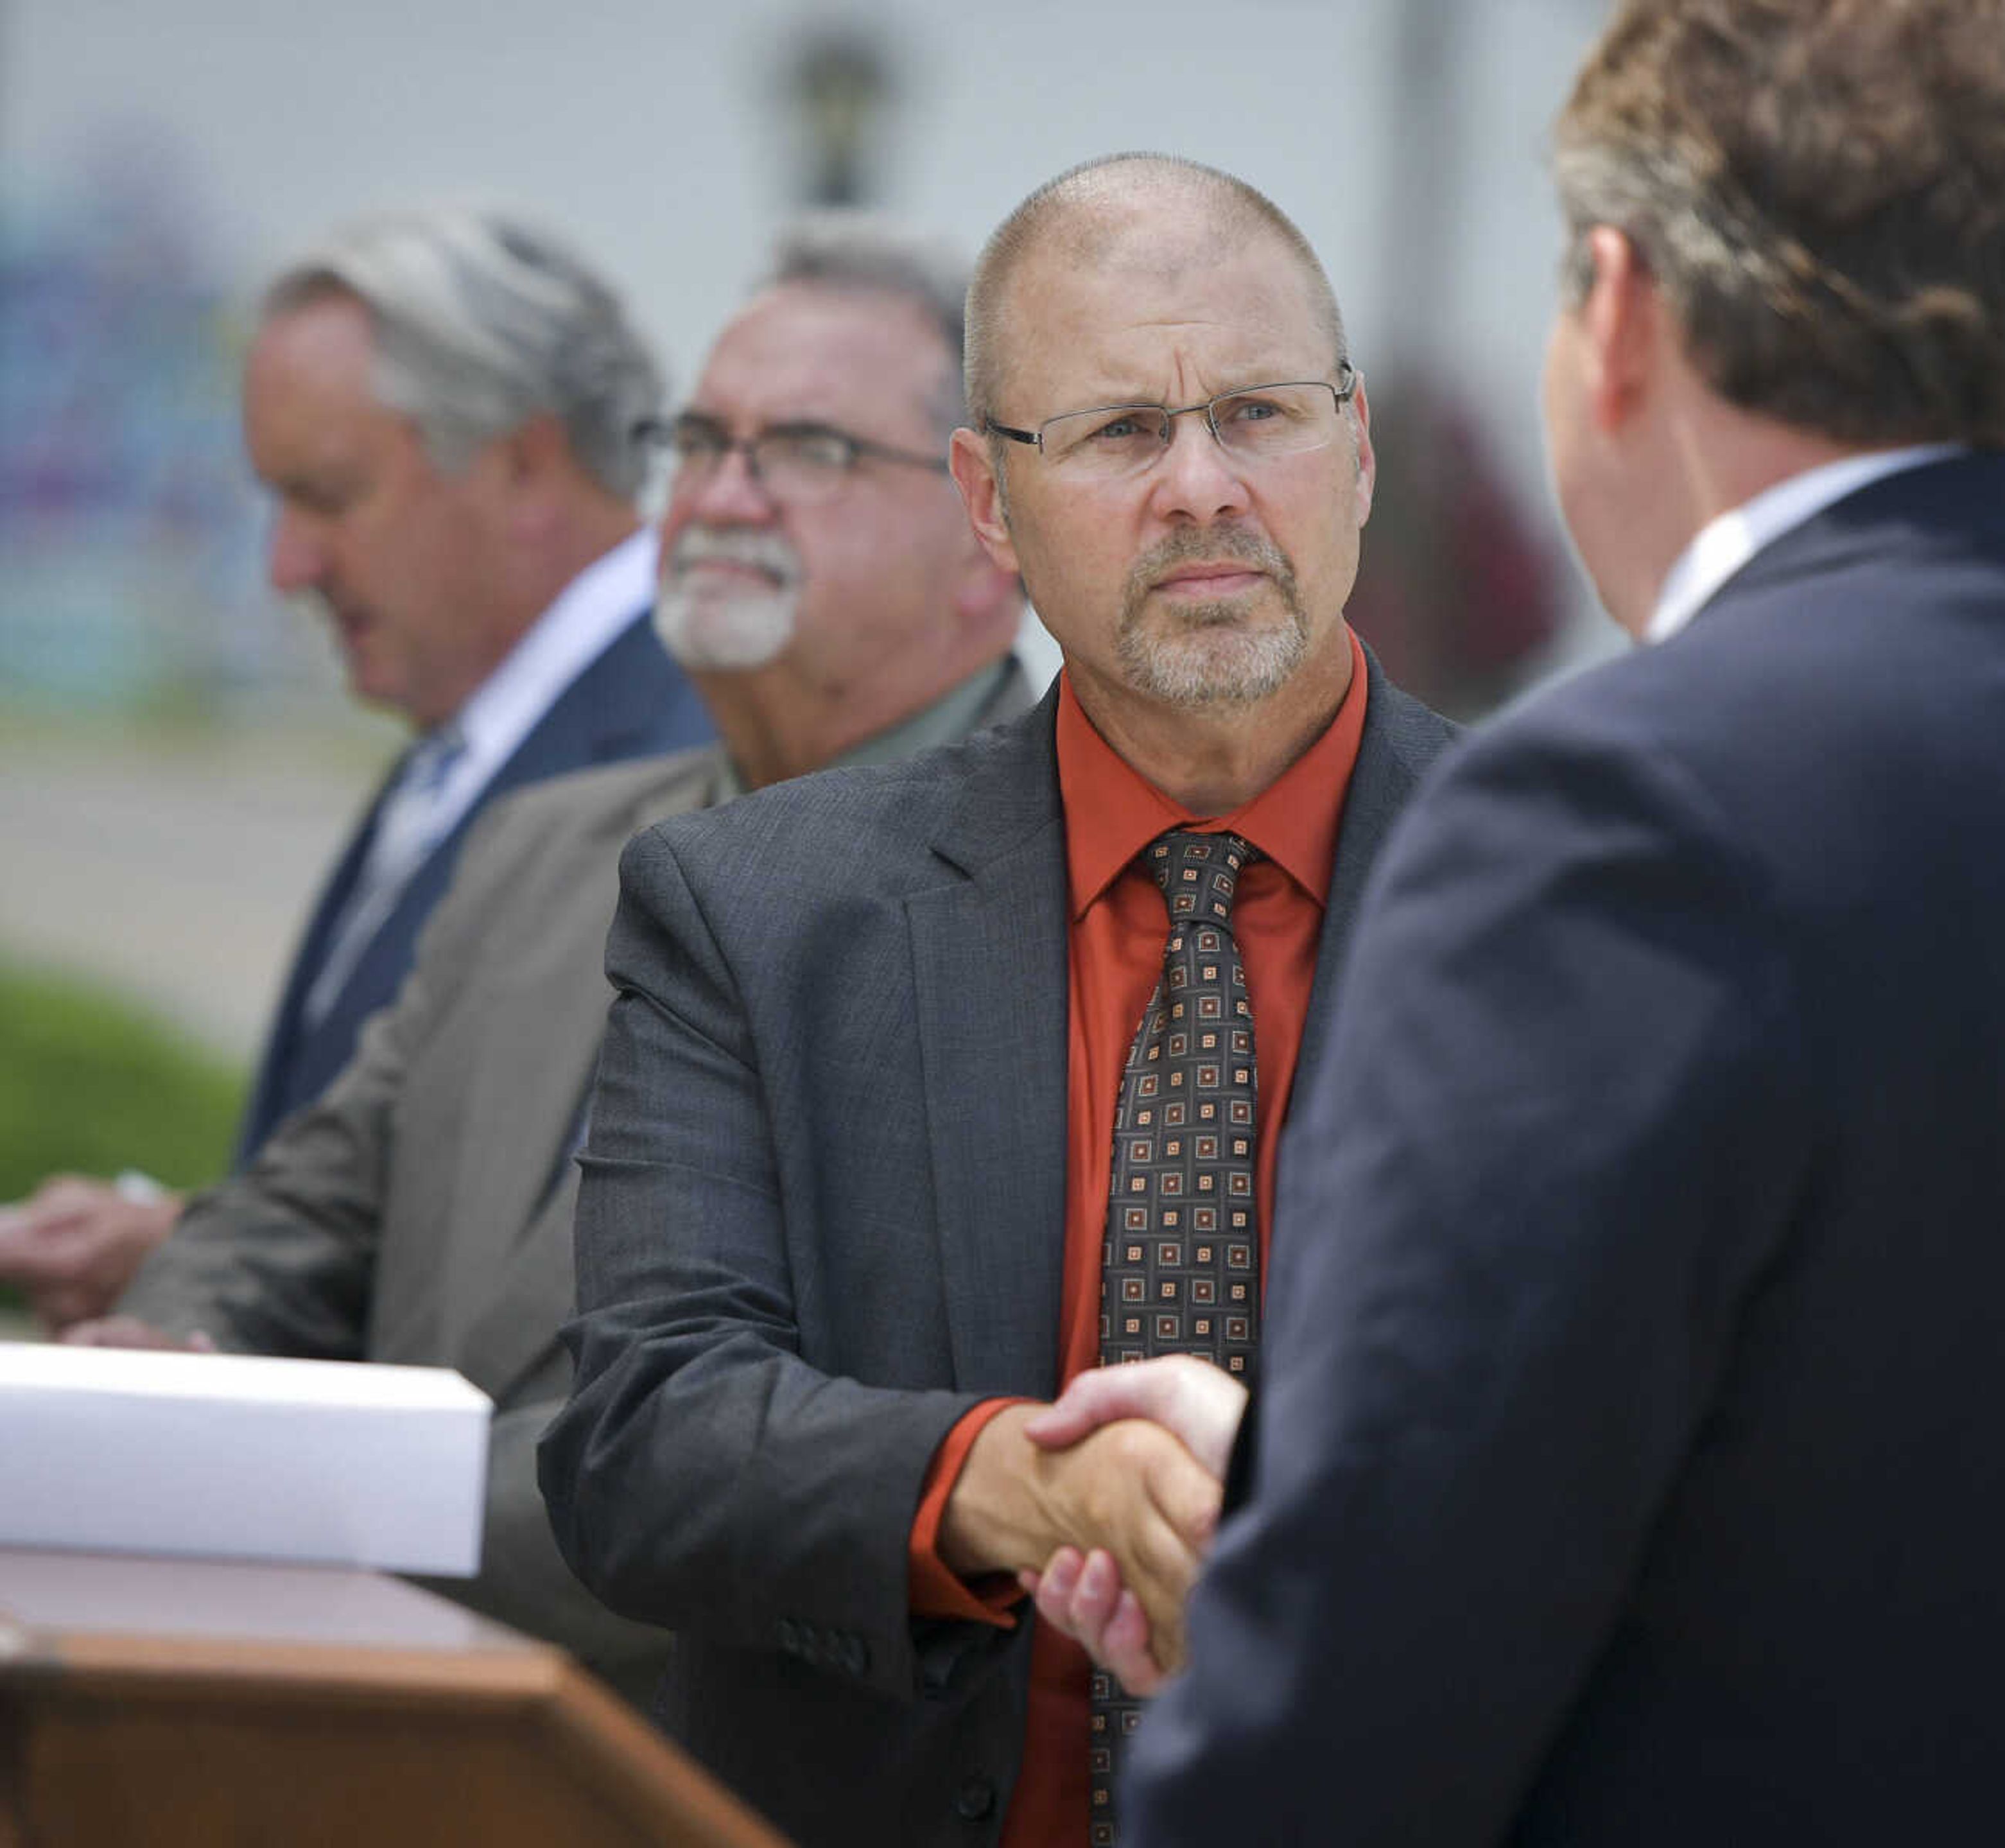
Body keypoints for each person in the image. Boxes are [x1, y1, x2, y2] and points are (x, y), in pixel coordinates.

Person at [1084, 4, 2005, 1843]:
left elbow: (1359, 1712)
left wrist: (1301, 1579)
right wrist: (1297, 1487)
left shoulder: (1612, 807)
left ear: (1620, 309)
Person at [536, 154, 1457, 1846]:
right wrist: (1019, 1484)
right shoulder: (755, 909)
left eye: (1258, 412)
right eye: (1117, 431)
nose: (1203, 487)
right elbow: (643, 1439)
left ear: (1360, 448)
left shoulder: (1584, 914)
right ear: (986, 498)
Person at [60, 214, 1033, 1703]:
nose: (722, 492)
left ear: (992, 535)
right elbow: (311, 1205)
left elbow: (836, 1440)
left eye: (809, 451)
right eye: (702, 439)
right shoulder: (538, 849)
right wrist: (171, 1360)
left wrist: (314, 1504)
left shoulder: (1052, 903)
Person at [0, 207, 709, 1330]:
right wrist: (196, 1244)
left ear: (522, 462)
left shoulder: (690, 769)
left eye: (327, 496)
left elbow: (595, 1253)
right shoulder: (478, 732)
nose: (286, 566)